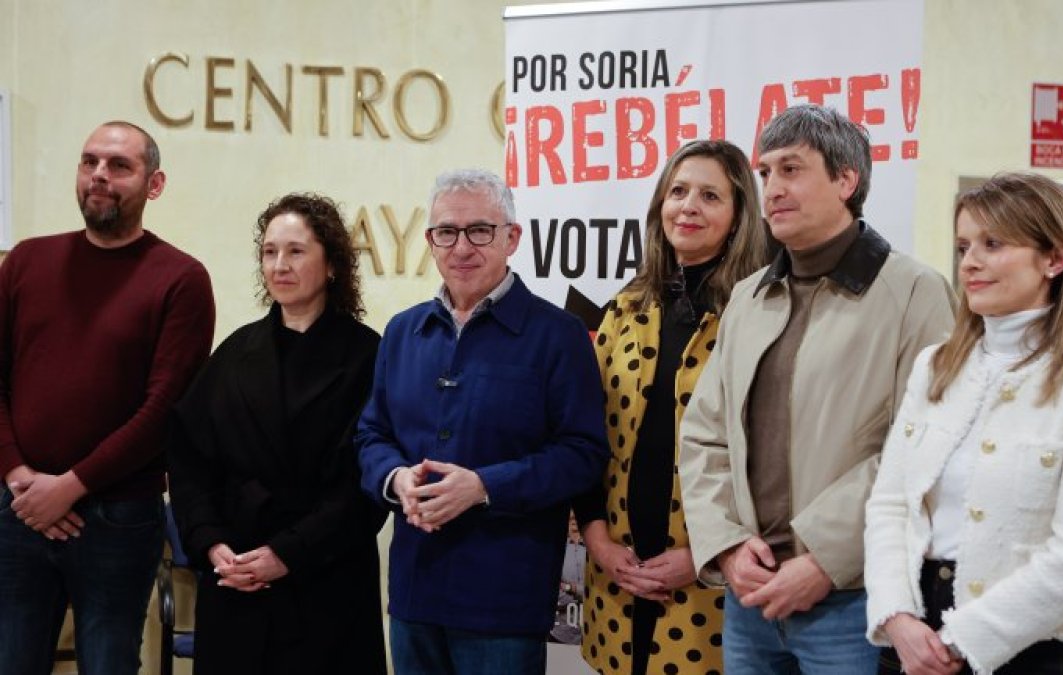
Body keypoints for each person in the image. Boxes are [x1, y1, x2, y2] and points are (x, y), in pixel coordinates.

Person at [677, 104, 956, 675]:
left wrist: (824, 559)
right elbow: (705, 434)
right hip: (750, 597)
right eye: (766, 173)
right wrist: (728, 545)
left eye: (792, 169)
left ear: (846, 180)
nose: (772, 189)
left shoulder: (915, 292)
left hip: (854, 600)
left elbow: (922, 447)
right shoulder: (749, 296)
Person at [863, 172, 1063, 675]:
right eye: (963, 245)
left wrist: (960, 641)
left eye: (992, 244)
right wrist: (897, 617)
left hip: (1037, 648)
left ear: (1055, 260)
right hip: (914, 635)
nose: (969, 261)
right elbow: (891, 504)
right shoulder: (936, 365)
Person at [357, 168, 608, 675]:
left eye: (480, 231)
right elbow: (371, 435)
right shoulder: (403, 332)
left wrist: (483, 487)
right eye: (446, 232)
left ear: (512, 237)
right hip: (413, 592)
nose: (461, 247)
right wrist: (395, 477)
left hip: (505, 599)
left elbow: (583, 453)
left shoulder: (558, 336)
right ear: (430, 241)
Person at [0, 121, 216, 674]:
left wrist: (69, 487)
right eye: (89, 161)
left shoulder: (181, 279)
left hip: (119, 518)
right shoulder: (25, 262)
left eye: (119, 166)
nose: (99, 175)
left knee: (109, 666)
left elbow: (163, 410)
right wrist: (18, 475)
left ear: (154, 183)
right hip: (17, 507)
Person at [167, 193, 386, 675]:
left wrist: (287, 553)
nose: (279, 265)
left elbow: (367, 484)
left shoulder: (369, 356)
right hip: (235, 576)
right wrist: (210, 543)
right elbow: (188, 458)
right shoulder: (234, 352)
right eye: (269, 252)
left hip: (326, 582)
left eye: (296, 251)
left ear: (332, 265)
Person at [576, 139, 768, 675]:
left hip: (710, 579)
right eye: (678, 191)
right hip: (616, 570)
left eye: (710, 196)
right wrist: (597, 538)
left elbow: (772, 458)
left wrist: (708, 557)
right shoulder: (624, 309)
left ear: (737, 218)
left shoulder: (757, 314)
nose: (689, 206)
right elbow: (591, 432)